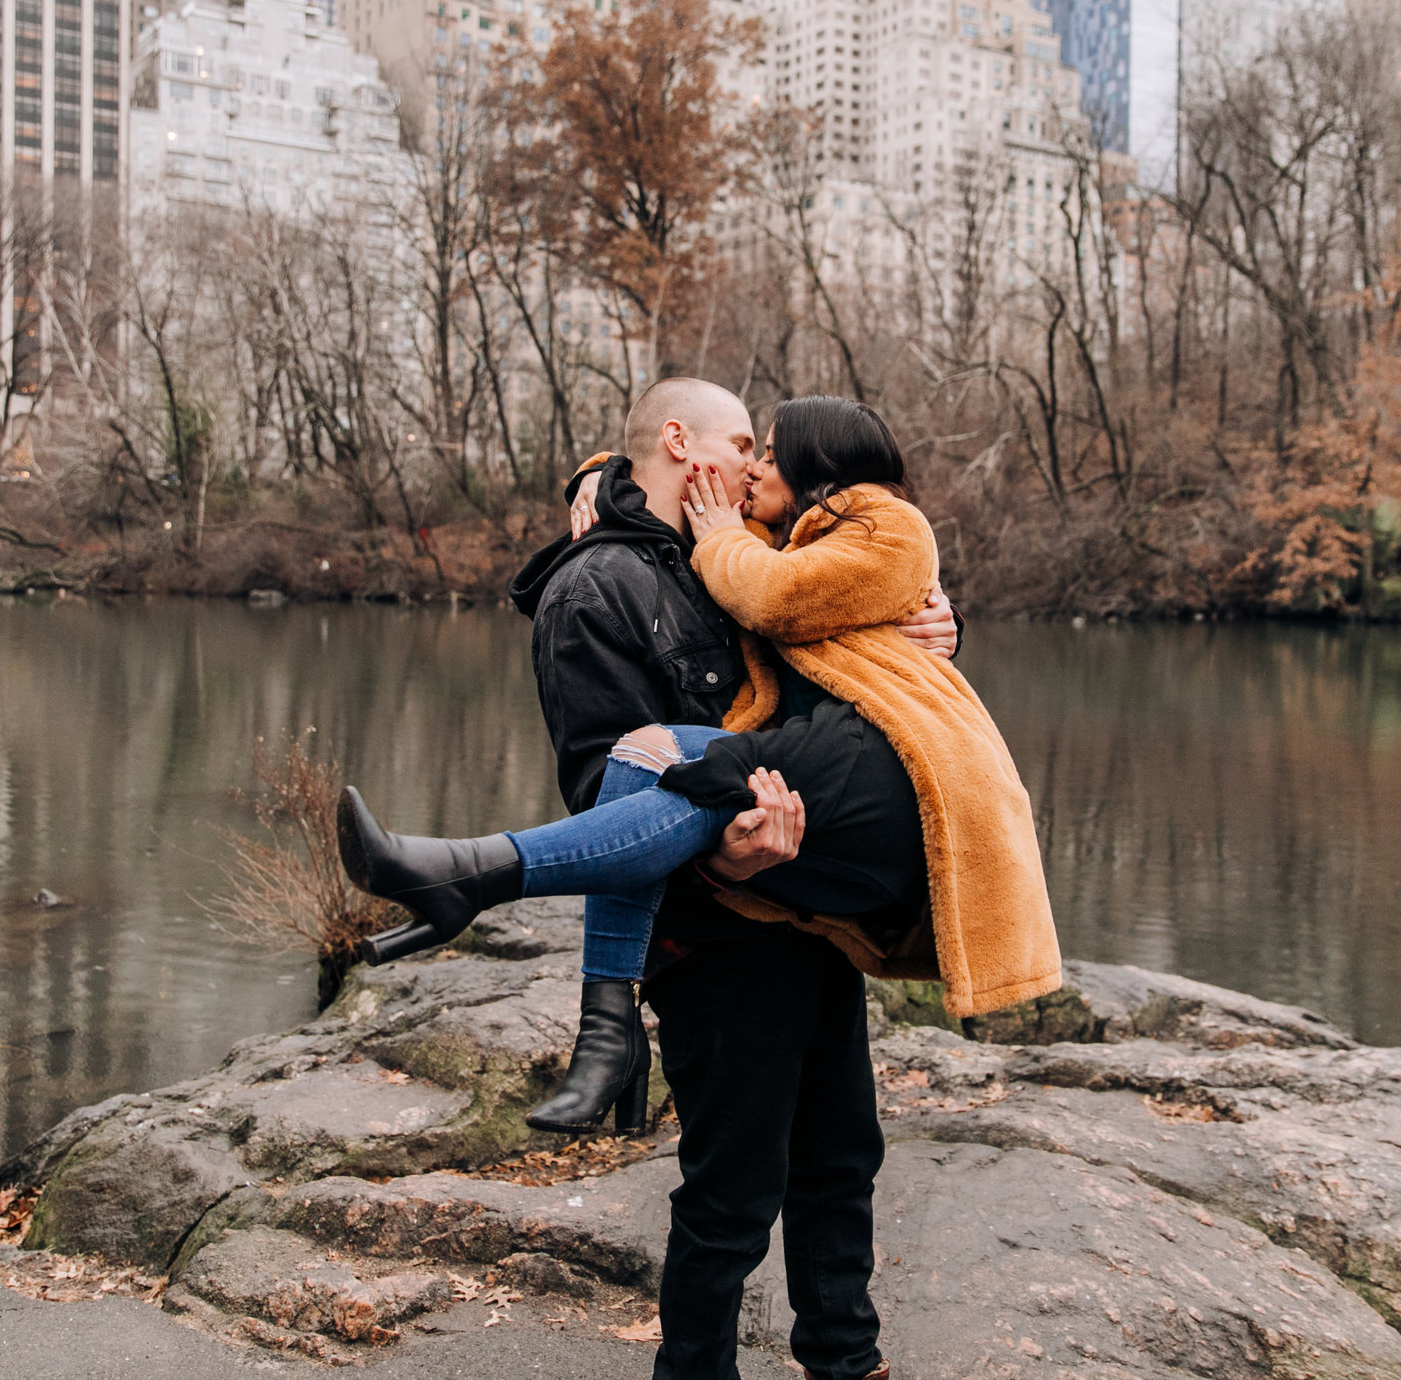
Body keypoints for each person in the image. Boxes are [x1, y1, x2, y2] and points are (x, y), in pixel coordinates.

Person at [336, 389, 1062, 1379]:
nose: (755, 463)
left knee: (840, 1158)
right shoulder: (595, 588)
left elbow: (843, 587)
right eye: (739, 443)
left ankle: (845, 1361)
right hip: (711, 925)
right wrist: (723, 854)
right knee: (731, 1192)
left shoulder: (728, 543)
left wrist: (934, 616)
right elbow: (607, 791)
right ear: (686, 447)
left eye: (762, 450)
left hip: (803, 909)